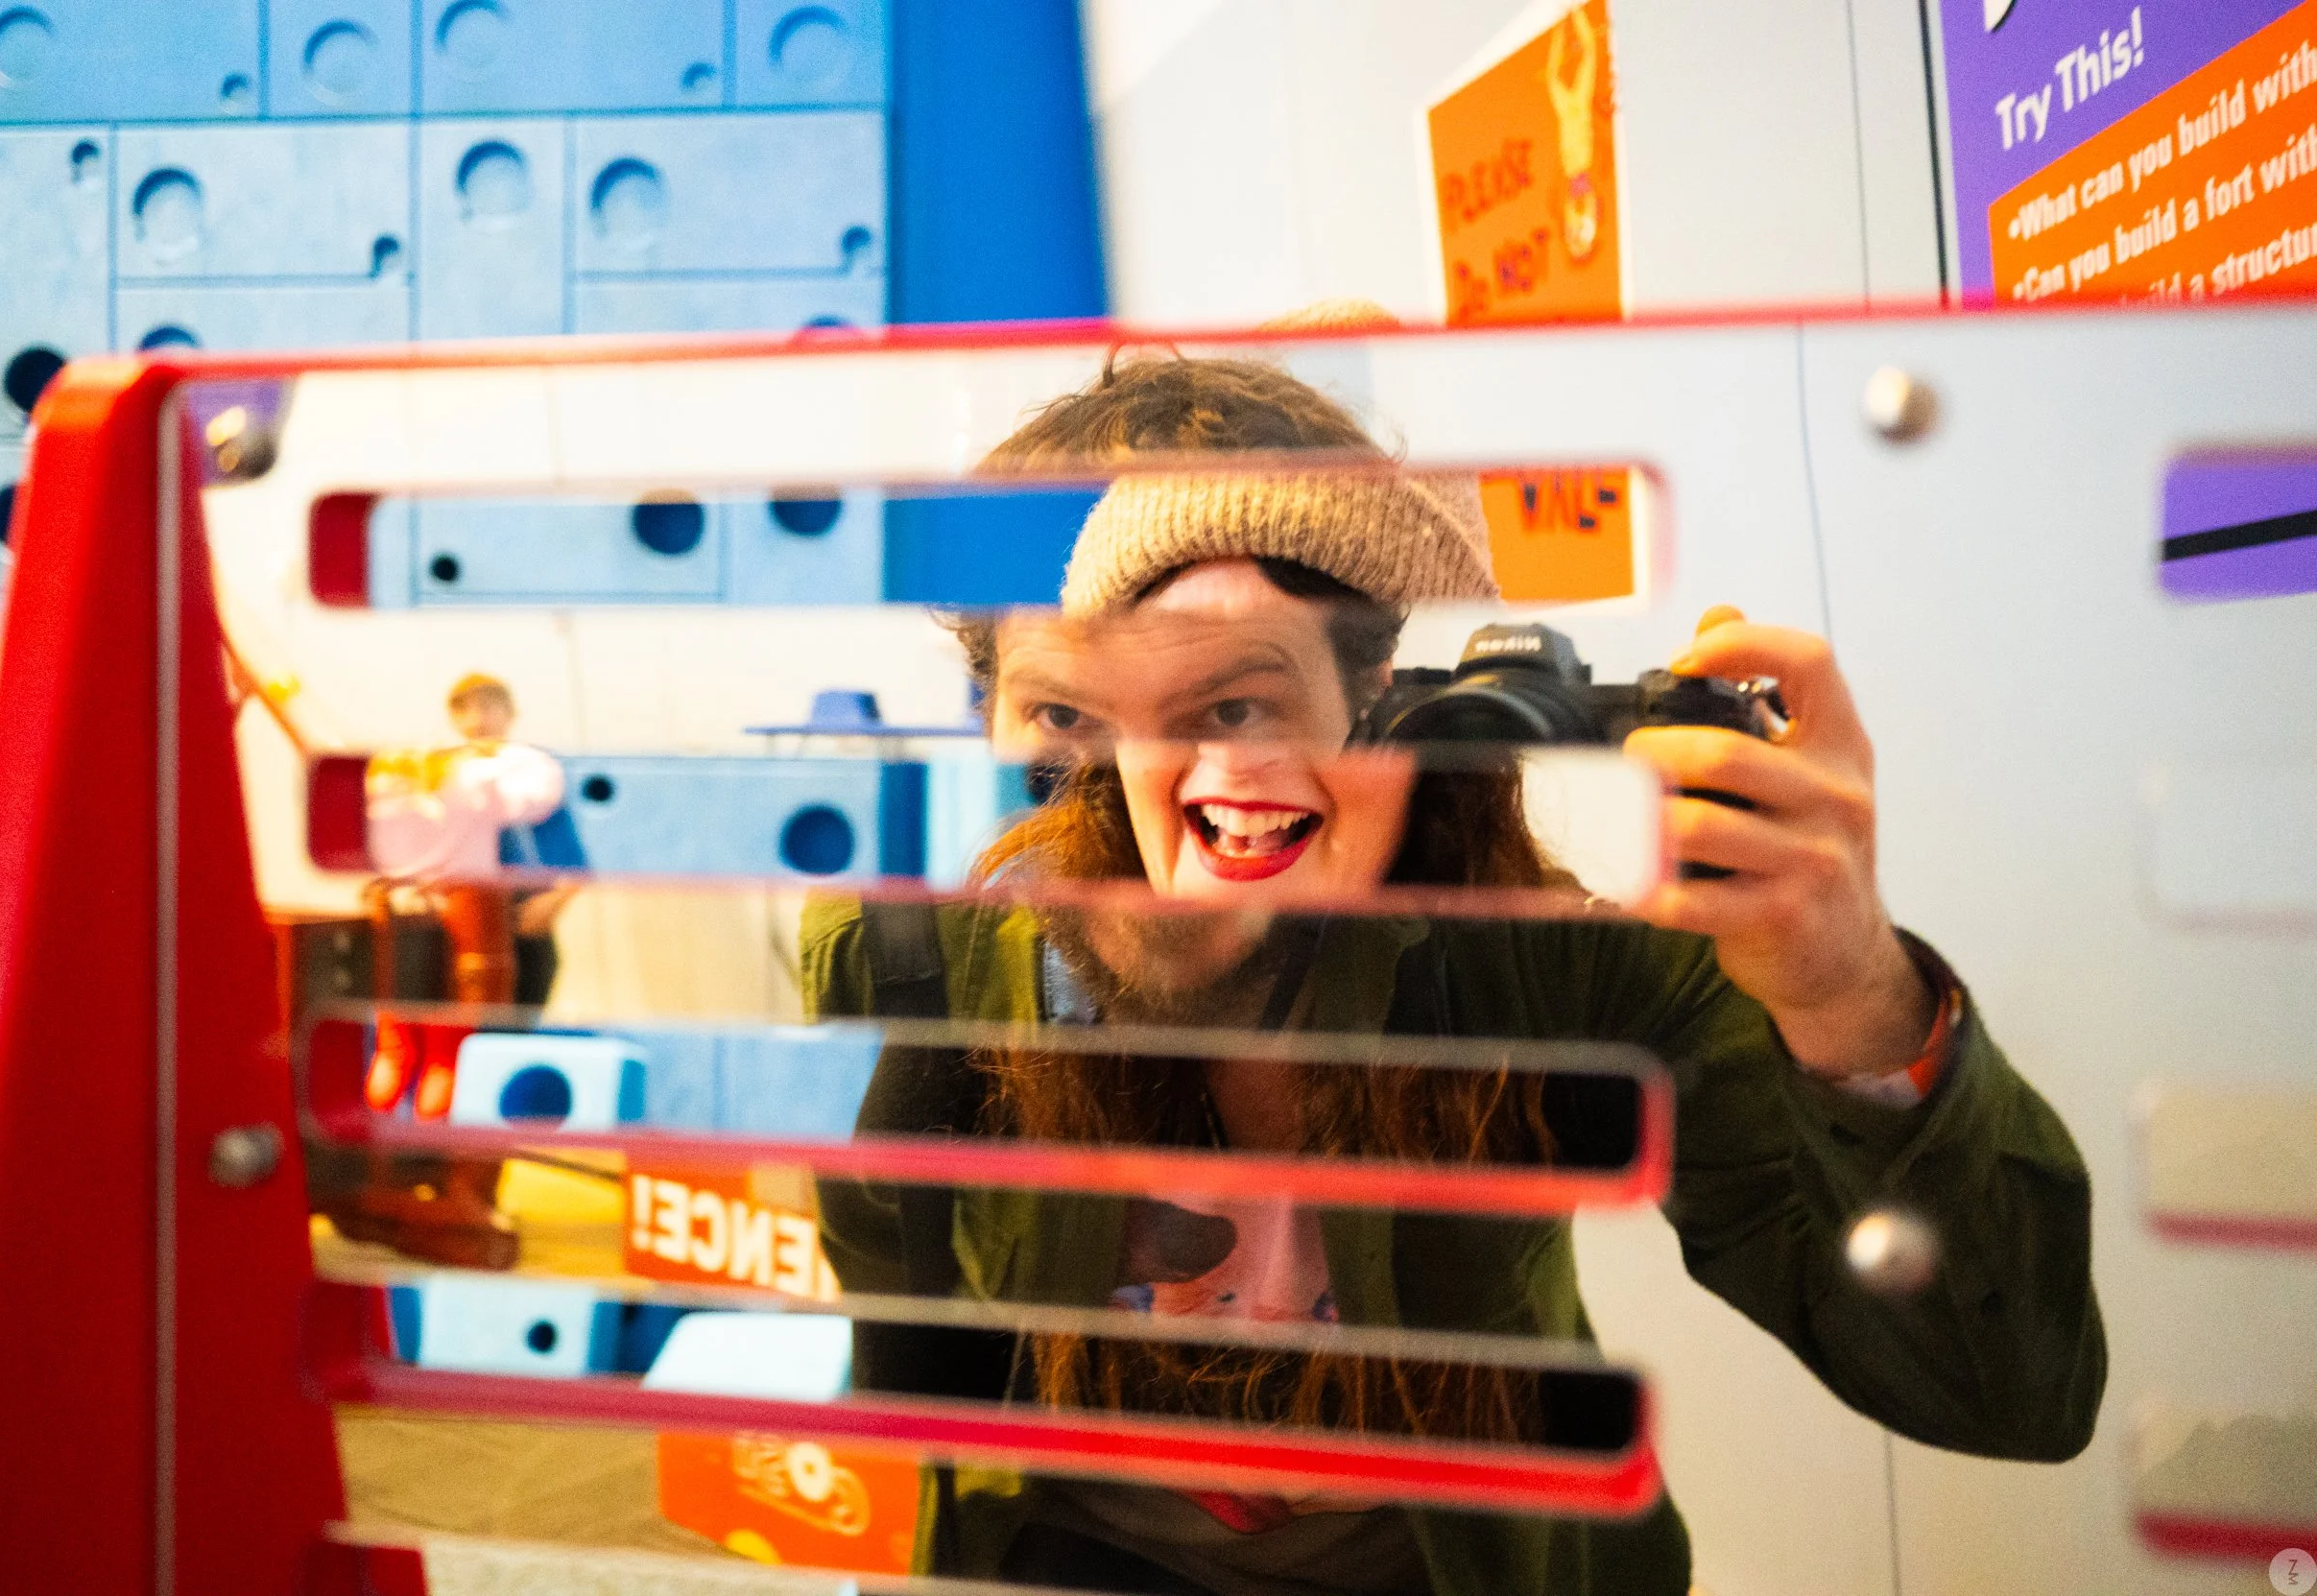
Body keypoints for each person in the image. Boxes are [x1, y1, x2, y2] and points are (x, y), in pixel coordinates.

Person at [806, 345, 2106, 1596]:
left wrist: (1848, 996)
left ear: (1376, 694)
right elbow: (905, 1334)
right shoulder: (914, 966)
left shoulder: (1543, 973)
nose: (1164, 796)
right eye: (1072, 719)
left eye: (1235, 703)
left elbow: (2004, 1389)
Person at [364, 673, 566, 1118]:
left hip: (514, 922)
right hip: (446, 922)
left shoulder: (529, 766)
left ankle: (469, 1146)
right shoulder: (438, 768)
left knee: (477, 1052)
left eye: (489, 705)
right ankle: (418, 1148)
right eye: (465, 708)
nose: (478, 719)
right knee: (425, 1048)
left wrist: (556, 900)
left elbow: (570, 842)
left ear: (509, 711)